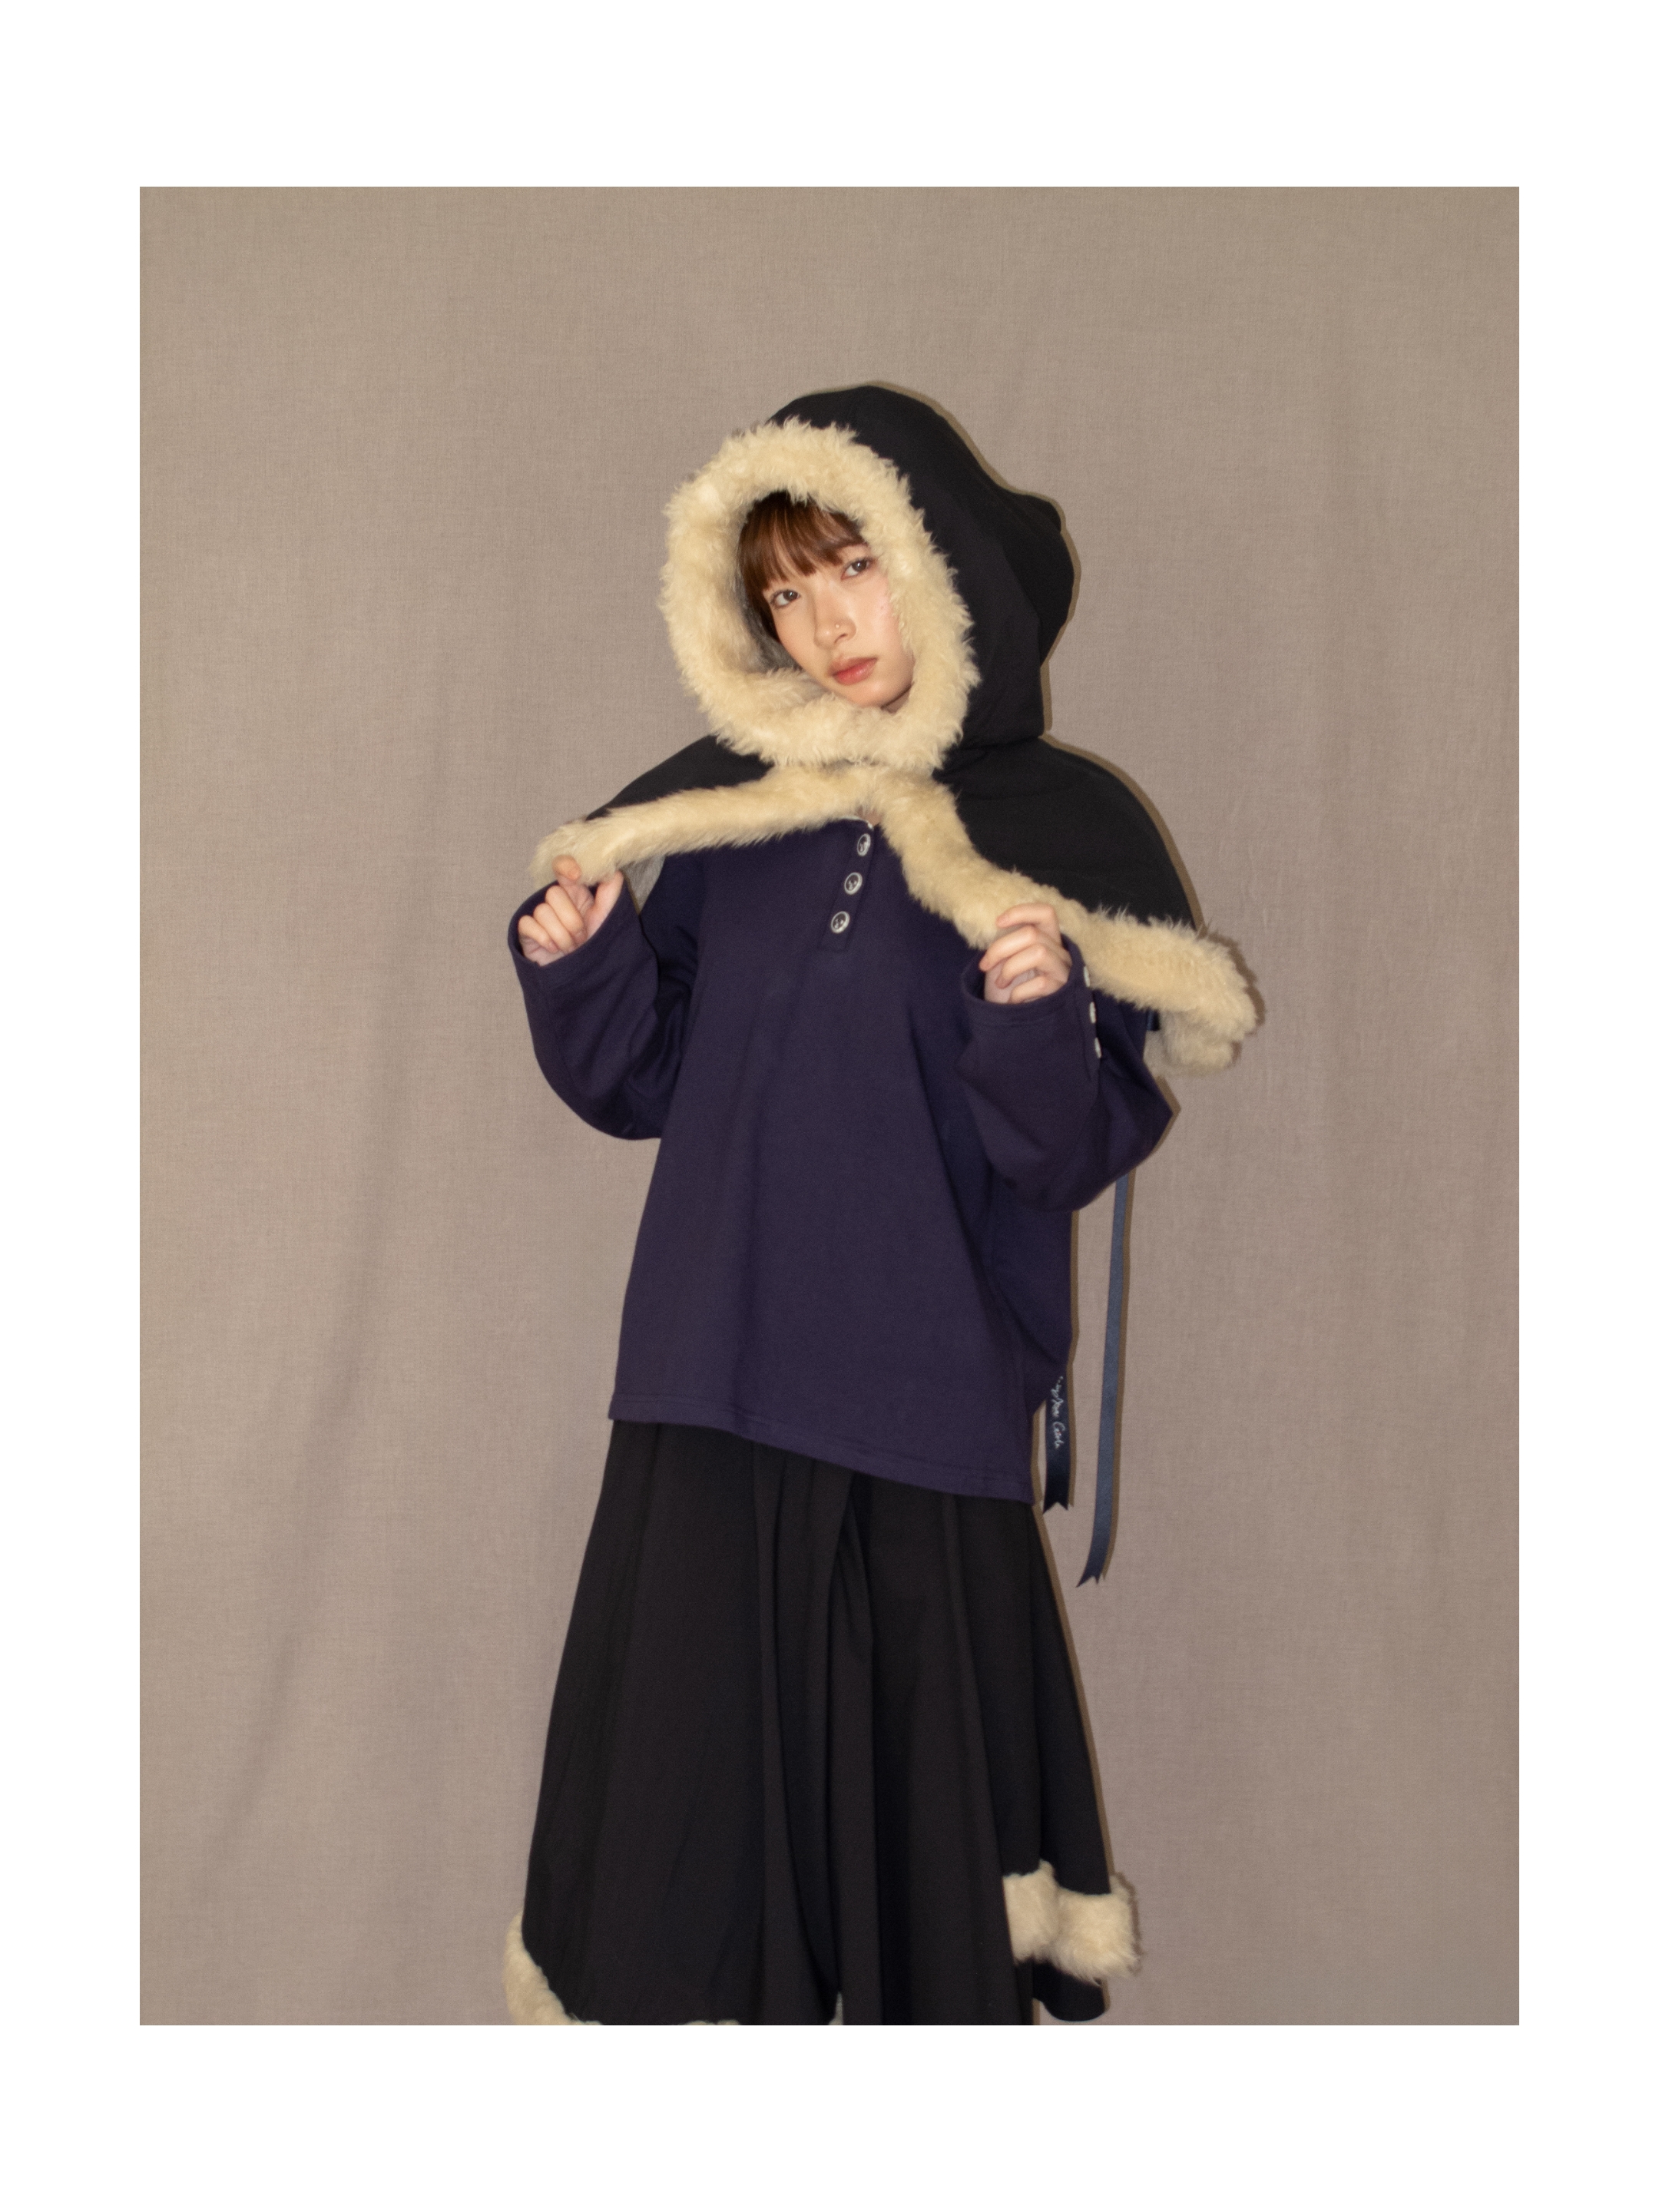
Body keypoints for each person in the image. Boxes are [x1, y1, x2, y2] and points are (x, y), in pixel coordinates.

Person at [501, 386, 1256, 2025]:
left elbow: (1066, 1152)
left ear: (940, 565)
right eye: (784, 590)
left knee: (917, 1903)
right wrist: (583, 966)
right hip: (707, 1390)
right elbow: (646, 1081)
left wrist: (1035, 1007)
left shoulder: (1057, 840)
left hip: (916, 1417)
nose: (825, 622)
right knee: (697, 1884)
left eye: (852, 568)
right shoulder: (734, 822)